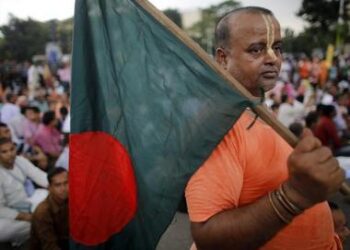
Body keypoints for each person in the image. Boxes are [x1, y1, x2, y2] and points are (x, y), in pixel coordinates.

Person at [185, 7, 345, 250]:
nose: (273, 58)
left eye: (277, 48)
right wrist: (296, 195)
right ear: (222, 58)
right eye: (256, 49)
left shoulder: (258, 109)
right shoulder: (218, 125)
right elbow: (208, 236)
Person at [0, 137, 48, 246]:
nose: (10, 154)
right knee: (35, 224)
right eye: (4, 152)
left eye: (12, 149)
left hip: (26, 203)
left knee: (50, 196)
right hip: (6, 216)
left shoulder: (20, 160)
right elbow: (0, 209)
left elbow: (39, 176)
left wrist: (57, 185)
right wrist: (27, 217)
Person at [30, 167, 69, 250]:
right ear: (49, 188)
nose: (63, 189)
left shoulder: (71, 200)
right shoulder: (42, 212)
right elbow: (49, 246)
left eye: (66, 183)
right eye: (57, 185)